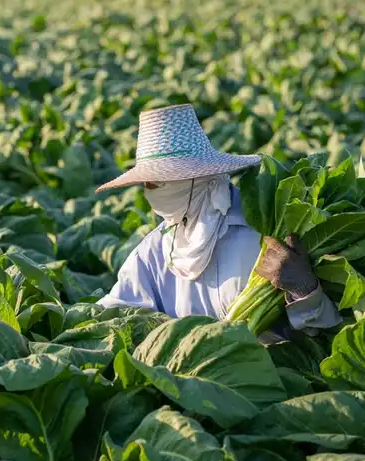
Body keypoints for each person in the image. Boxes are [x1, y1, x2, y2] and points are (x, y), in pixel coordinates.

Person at [95, 104, 341, 337]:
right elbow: (113, 315)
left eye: (157, 182)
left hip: (269, 376)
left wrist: (305, 292)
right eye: (146, 184)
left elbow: (328, 336)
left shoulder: (265, 232)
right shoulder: (154, 251)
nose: (150, 193)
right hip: (187, 377)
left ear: (199, 178)